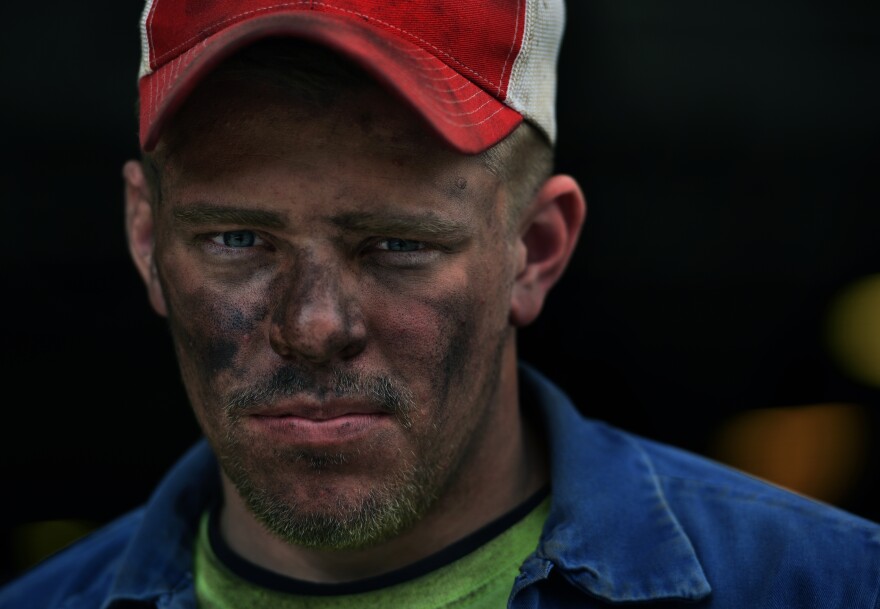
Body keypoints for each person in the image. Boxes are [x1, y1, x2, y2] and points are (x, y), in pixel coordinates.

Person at [2, 1, 879, 607]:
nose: (311, 326)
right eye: (238, 240)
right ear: (147, 239)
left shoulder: (830, 585)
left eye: (397, 244)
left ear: (535, 249)